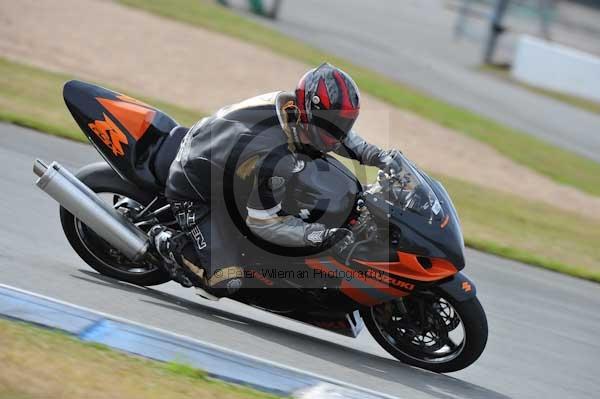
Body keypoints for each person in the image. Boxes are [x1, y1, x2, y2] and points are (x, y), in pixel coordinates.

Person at [150, 63, 402, 298]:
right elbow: (264, 224)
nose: (337, 133)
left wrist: (377, 156)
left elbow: (334, 131)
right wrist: (319, 236)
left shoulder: (294, 109)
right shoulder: (273, 157)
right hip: (196, 189)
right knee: (228, 280)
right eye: (333, 124)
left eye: (343, 124)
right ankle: (166, 243)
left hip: (220, 158)